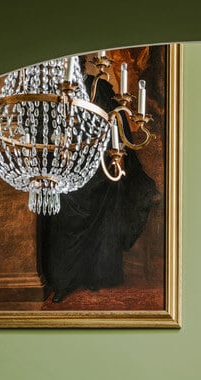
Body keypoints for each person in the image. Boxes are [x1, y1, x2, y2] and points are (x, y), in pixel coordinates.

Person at [38, 73, 158, 303]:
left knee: (110, 195)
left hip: (97, 166)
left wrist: (113, 156)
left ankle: (95, 275)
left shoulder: (98, 86)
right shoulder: (52, 89)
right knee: (60, 215)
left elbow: (116, 125)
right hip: (64, 166)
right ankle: (63, 282)